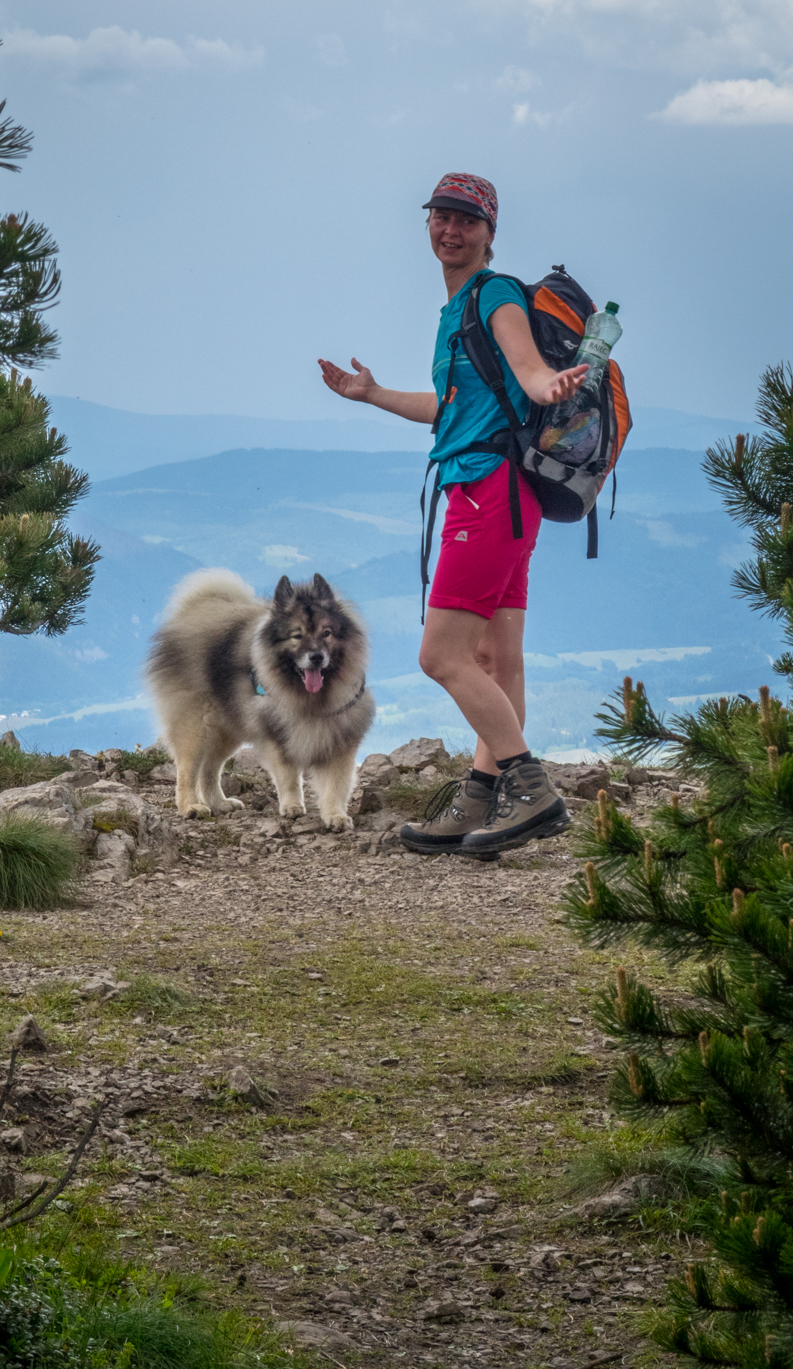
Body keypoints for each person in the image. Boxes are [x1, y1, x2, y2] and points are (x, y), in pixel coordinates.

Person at [318, 172, 589, 858]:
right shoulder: (455, 311)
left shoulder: (493, 295)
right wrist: (373, 394)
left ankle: (531, 790)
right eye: (441, 216)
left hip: (488, 490)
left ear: (489, 233)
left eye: (466, 220)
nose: (450, 229)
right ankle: (481, 796)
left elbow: (525, 370)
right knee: (498, 660)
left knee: (440, 655)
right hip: (503, 492)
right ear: (428, 224)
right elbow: (453, 408)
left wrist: (547, 384)